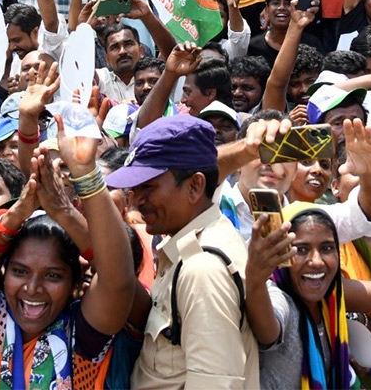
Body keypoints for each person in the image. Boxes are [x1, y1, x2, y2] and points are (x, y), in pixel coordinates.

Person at [0, 36, 136, 389]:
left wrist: (87, 175)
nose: (32, 288)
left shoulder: (83, 335)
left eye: (53, 276)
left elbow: (118, 276)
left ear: (77, 284)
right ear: (1, 272)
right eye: (20, 270)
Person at [106, 115, 259, 389]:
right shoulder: (186, 248)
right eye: (134, 188)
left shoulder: (203, 269)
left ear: (195, 186)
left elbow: (215, 384)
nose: (136, 199)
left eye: (148, 186)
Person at [245, 202, 371, 389]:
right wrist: (255, 277)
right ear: (282, 257)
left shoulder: (329, 296)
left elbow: (361, 293)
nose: (316, 260)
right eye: (301, 249)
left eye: (327, 248)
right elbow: (267, 331)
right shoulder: (280, 300)